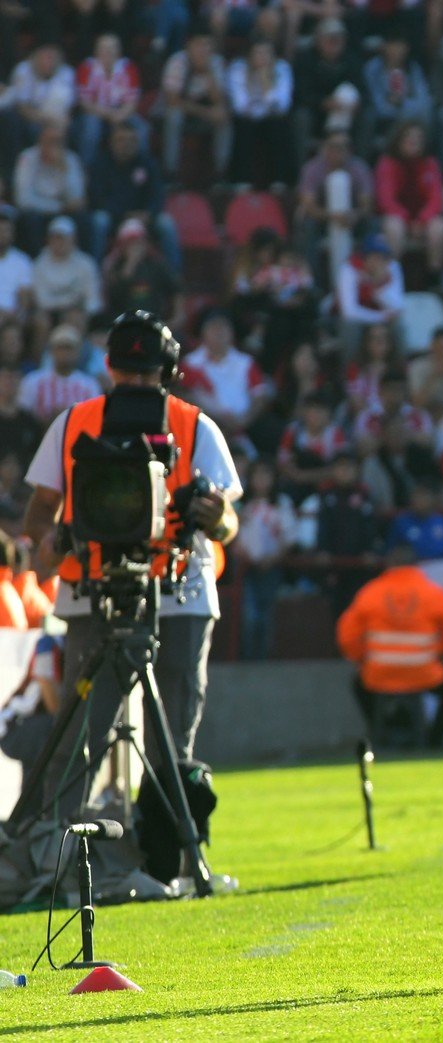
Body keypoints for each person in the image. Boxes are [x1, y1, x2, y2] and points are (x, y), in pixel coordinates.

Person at [16, 311, 241, 892]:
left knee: (169, 738)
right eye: (133, 370)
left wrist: (215, 516)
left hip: (178, 589)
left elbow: (227, 521)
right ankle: (58, 859)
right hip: (98, 591)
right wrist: (46, 542)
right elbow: (40, 510)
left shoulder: (191, 428)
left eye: (146, 372)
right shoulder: (77, 424)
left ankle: (167, 861)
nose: (138, 381)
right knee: (82, 734)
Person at [336, 542, 443, 749]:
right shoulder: (432, 592)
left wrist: (362, 658)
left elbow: (347, 635)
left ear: (389, 565)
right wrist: (440, 652)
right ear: (417, 565)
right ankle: (435, 741)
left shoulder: (370, 592)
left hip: (379, 673)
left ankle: (380, 733)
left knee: (358, 685)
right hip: (423, 671)